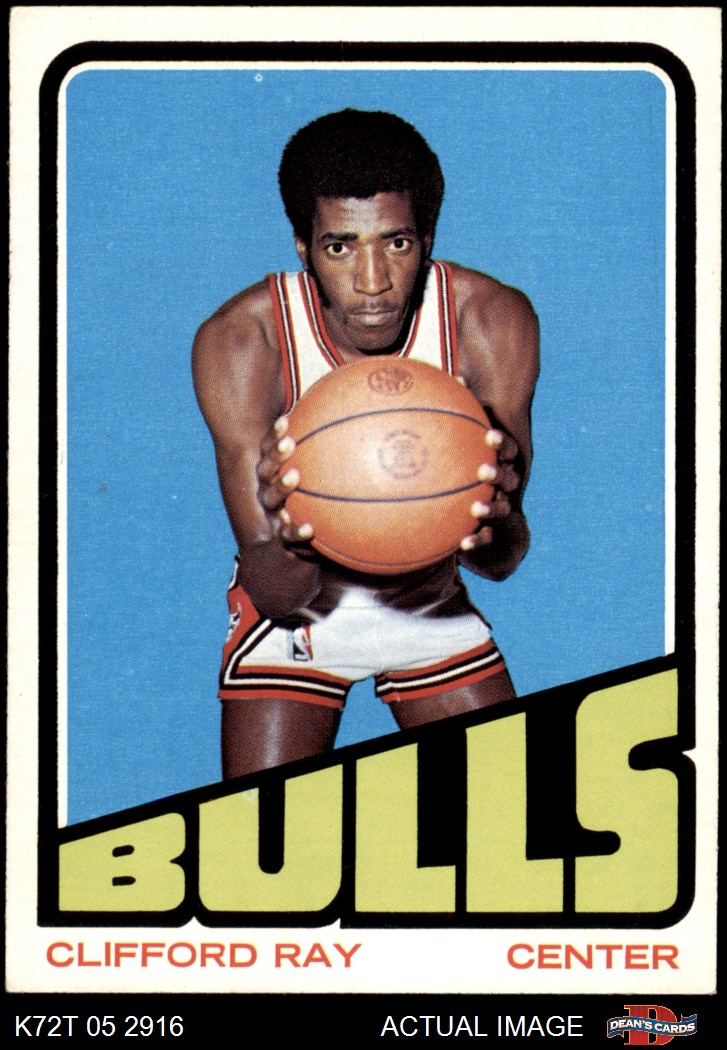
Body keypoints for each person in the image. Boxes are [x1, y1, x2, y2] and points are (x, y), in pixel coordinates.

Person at [193, 109, 539, 779]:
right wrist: (296, 535)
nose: (373, 280)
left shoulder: (489, 319)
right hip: (298, 623)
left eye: (397, 243)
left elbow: (503, 559)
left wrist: (487, 521)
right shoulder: (244, 340)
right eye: (340, 247)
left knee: (516, 819)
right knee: (257, 836)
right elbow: (274, 591)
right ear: (302, 246)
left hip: (429, 604)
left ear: (427, 240)